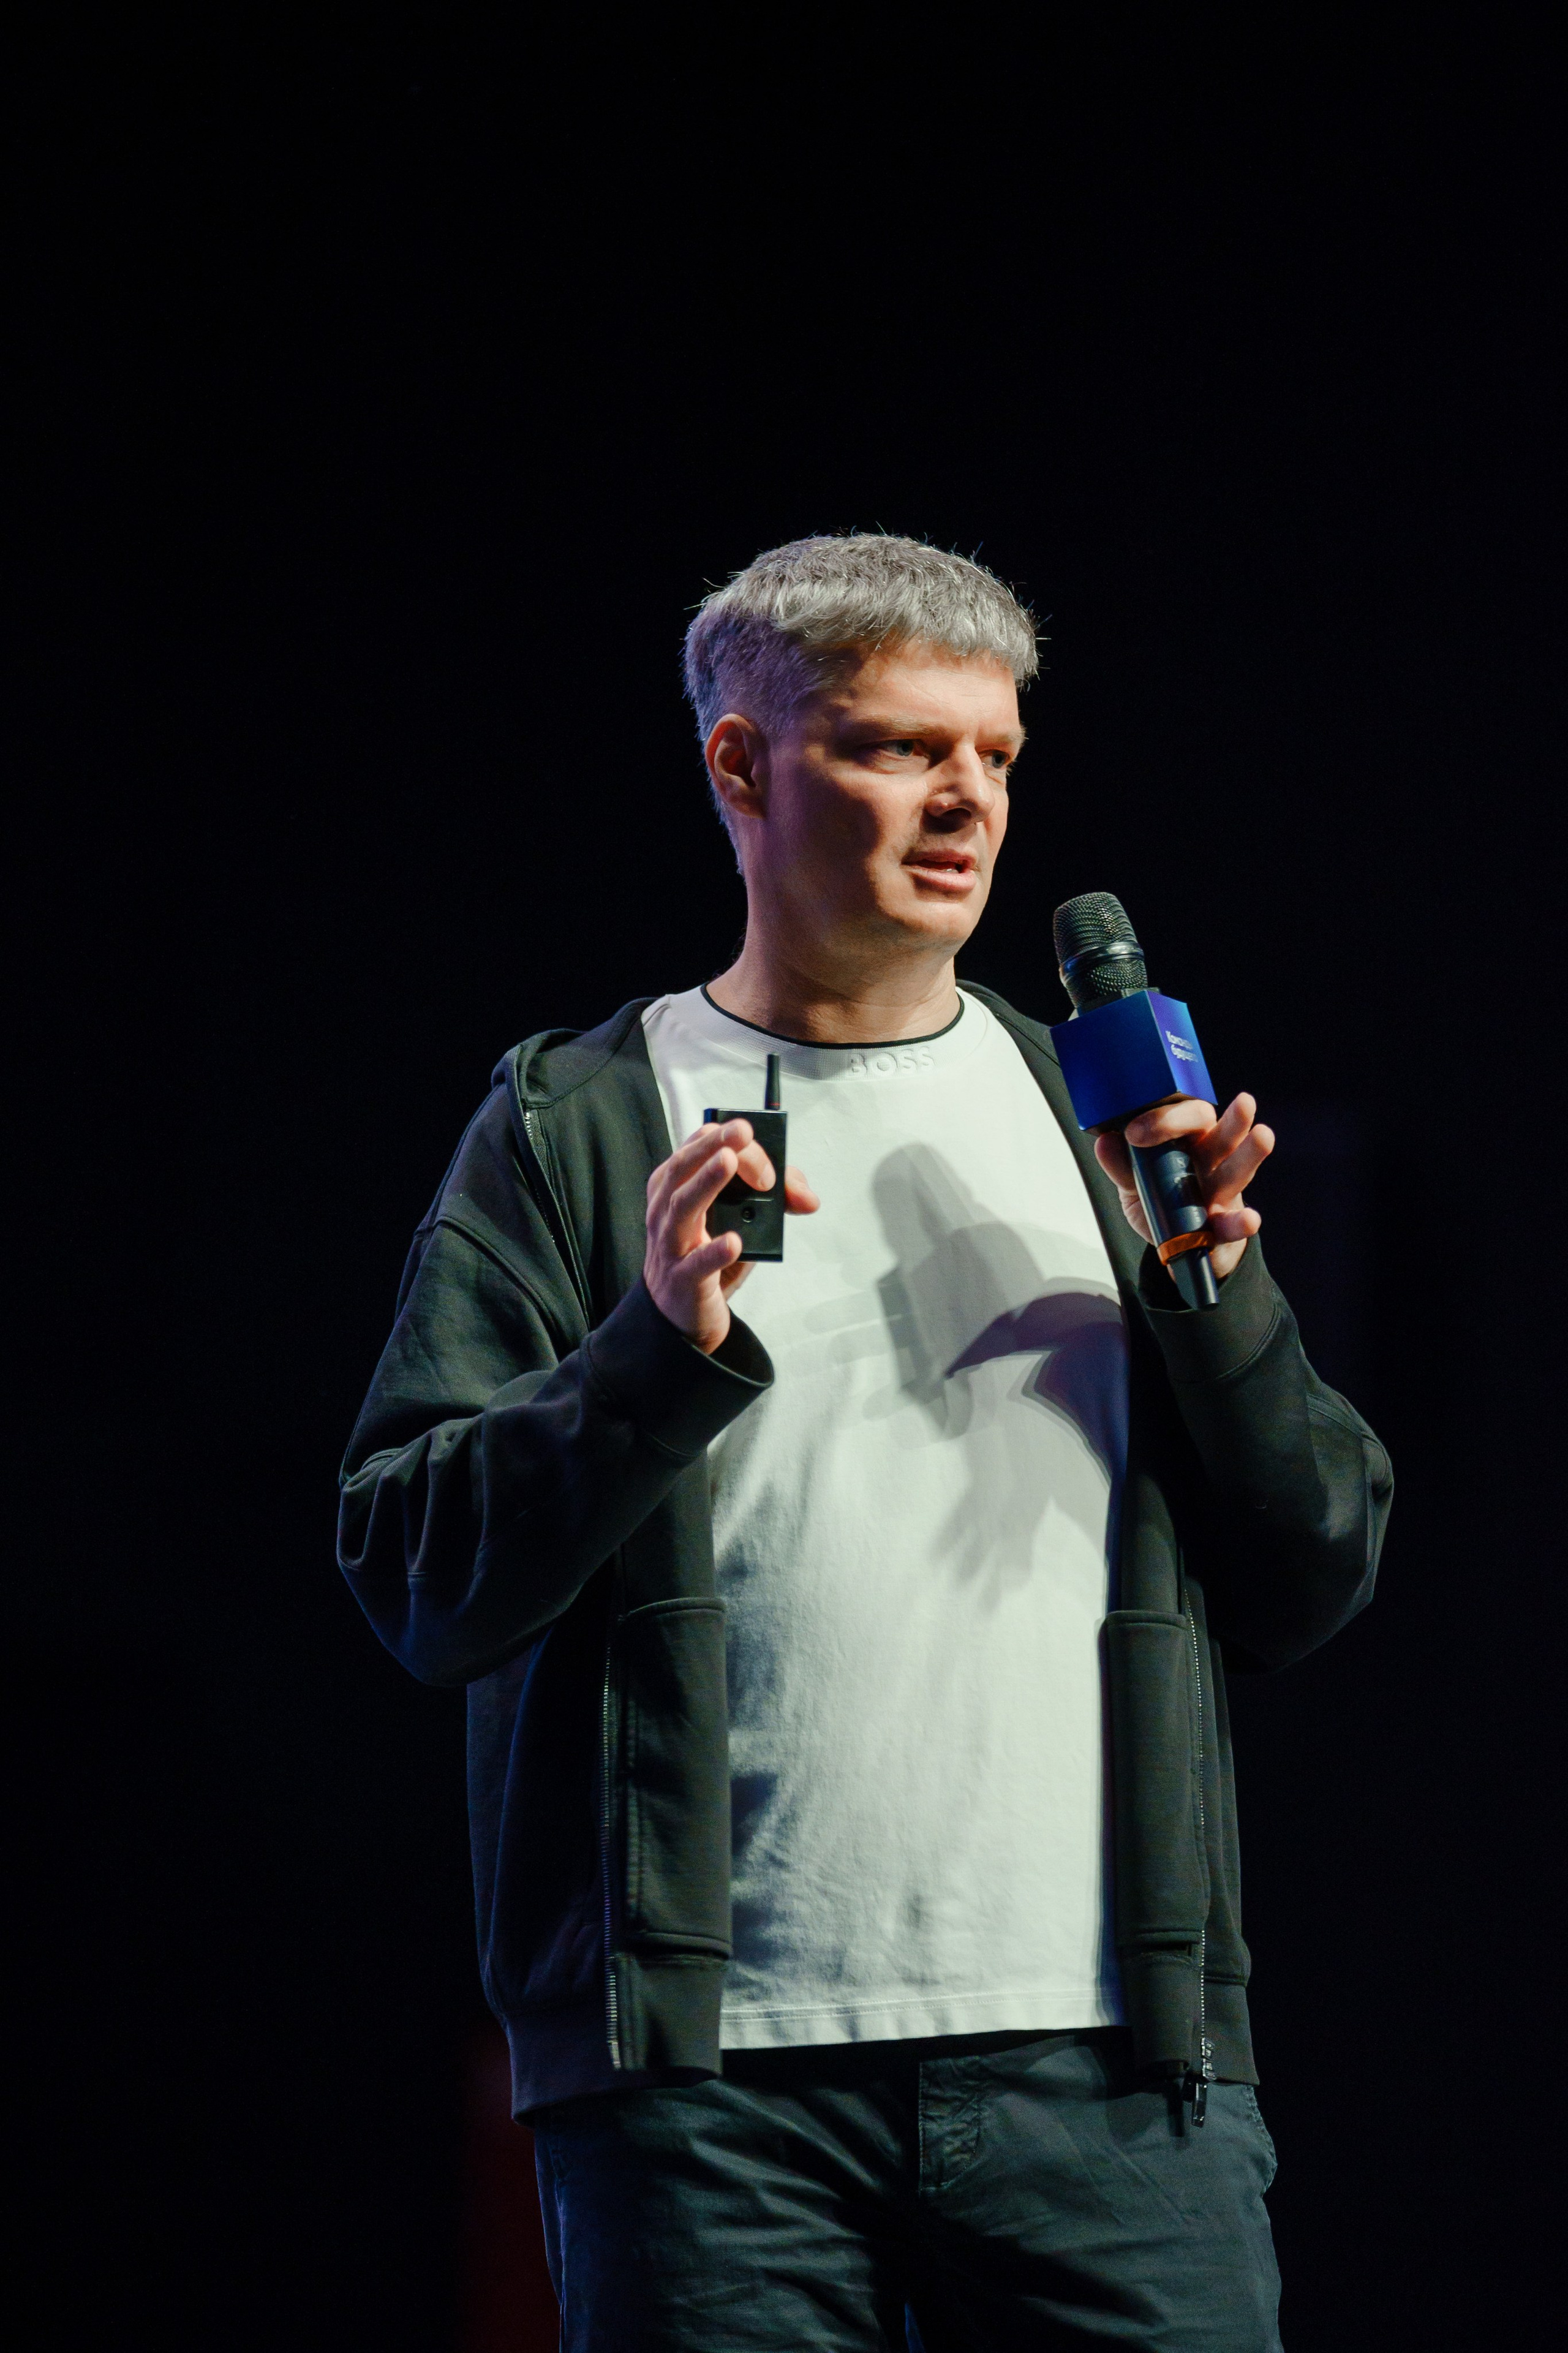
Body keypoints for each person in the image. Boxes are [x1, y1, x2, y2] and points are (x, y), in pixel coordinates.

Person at [339, 534, 1391, 2350]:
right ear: (740, 768)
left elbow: (1316, 1566)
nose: (964, 799)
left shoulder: (1100, 1128)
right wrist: (647, 1356)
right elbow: (416, 1575)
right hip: (710, 2104)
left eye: (994, 754)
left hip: (1110, 2073)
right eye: (901, 746)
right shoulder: (582, 1126)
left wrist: (1221, 1310)